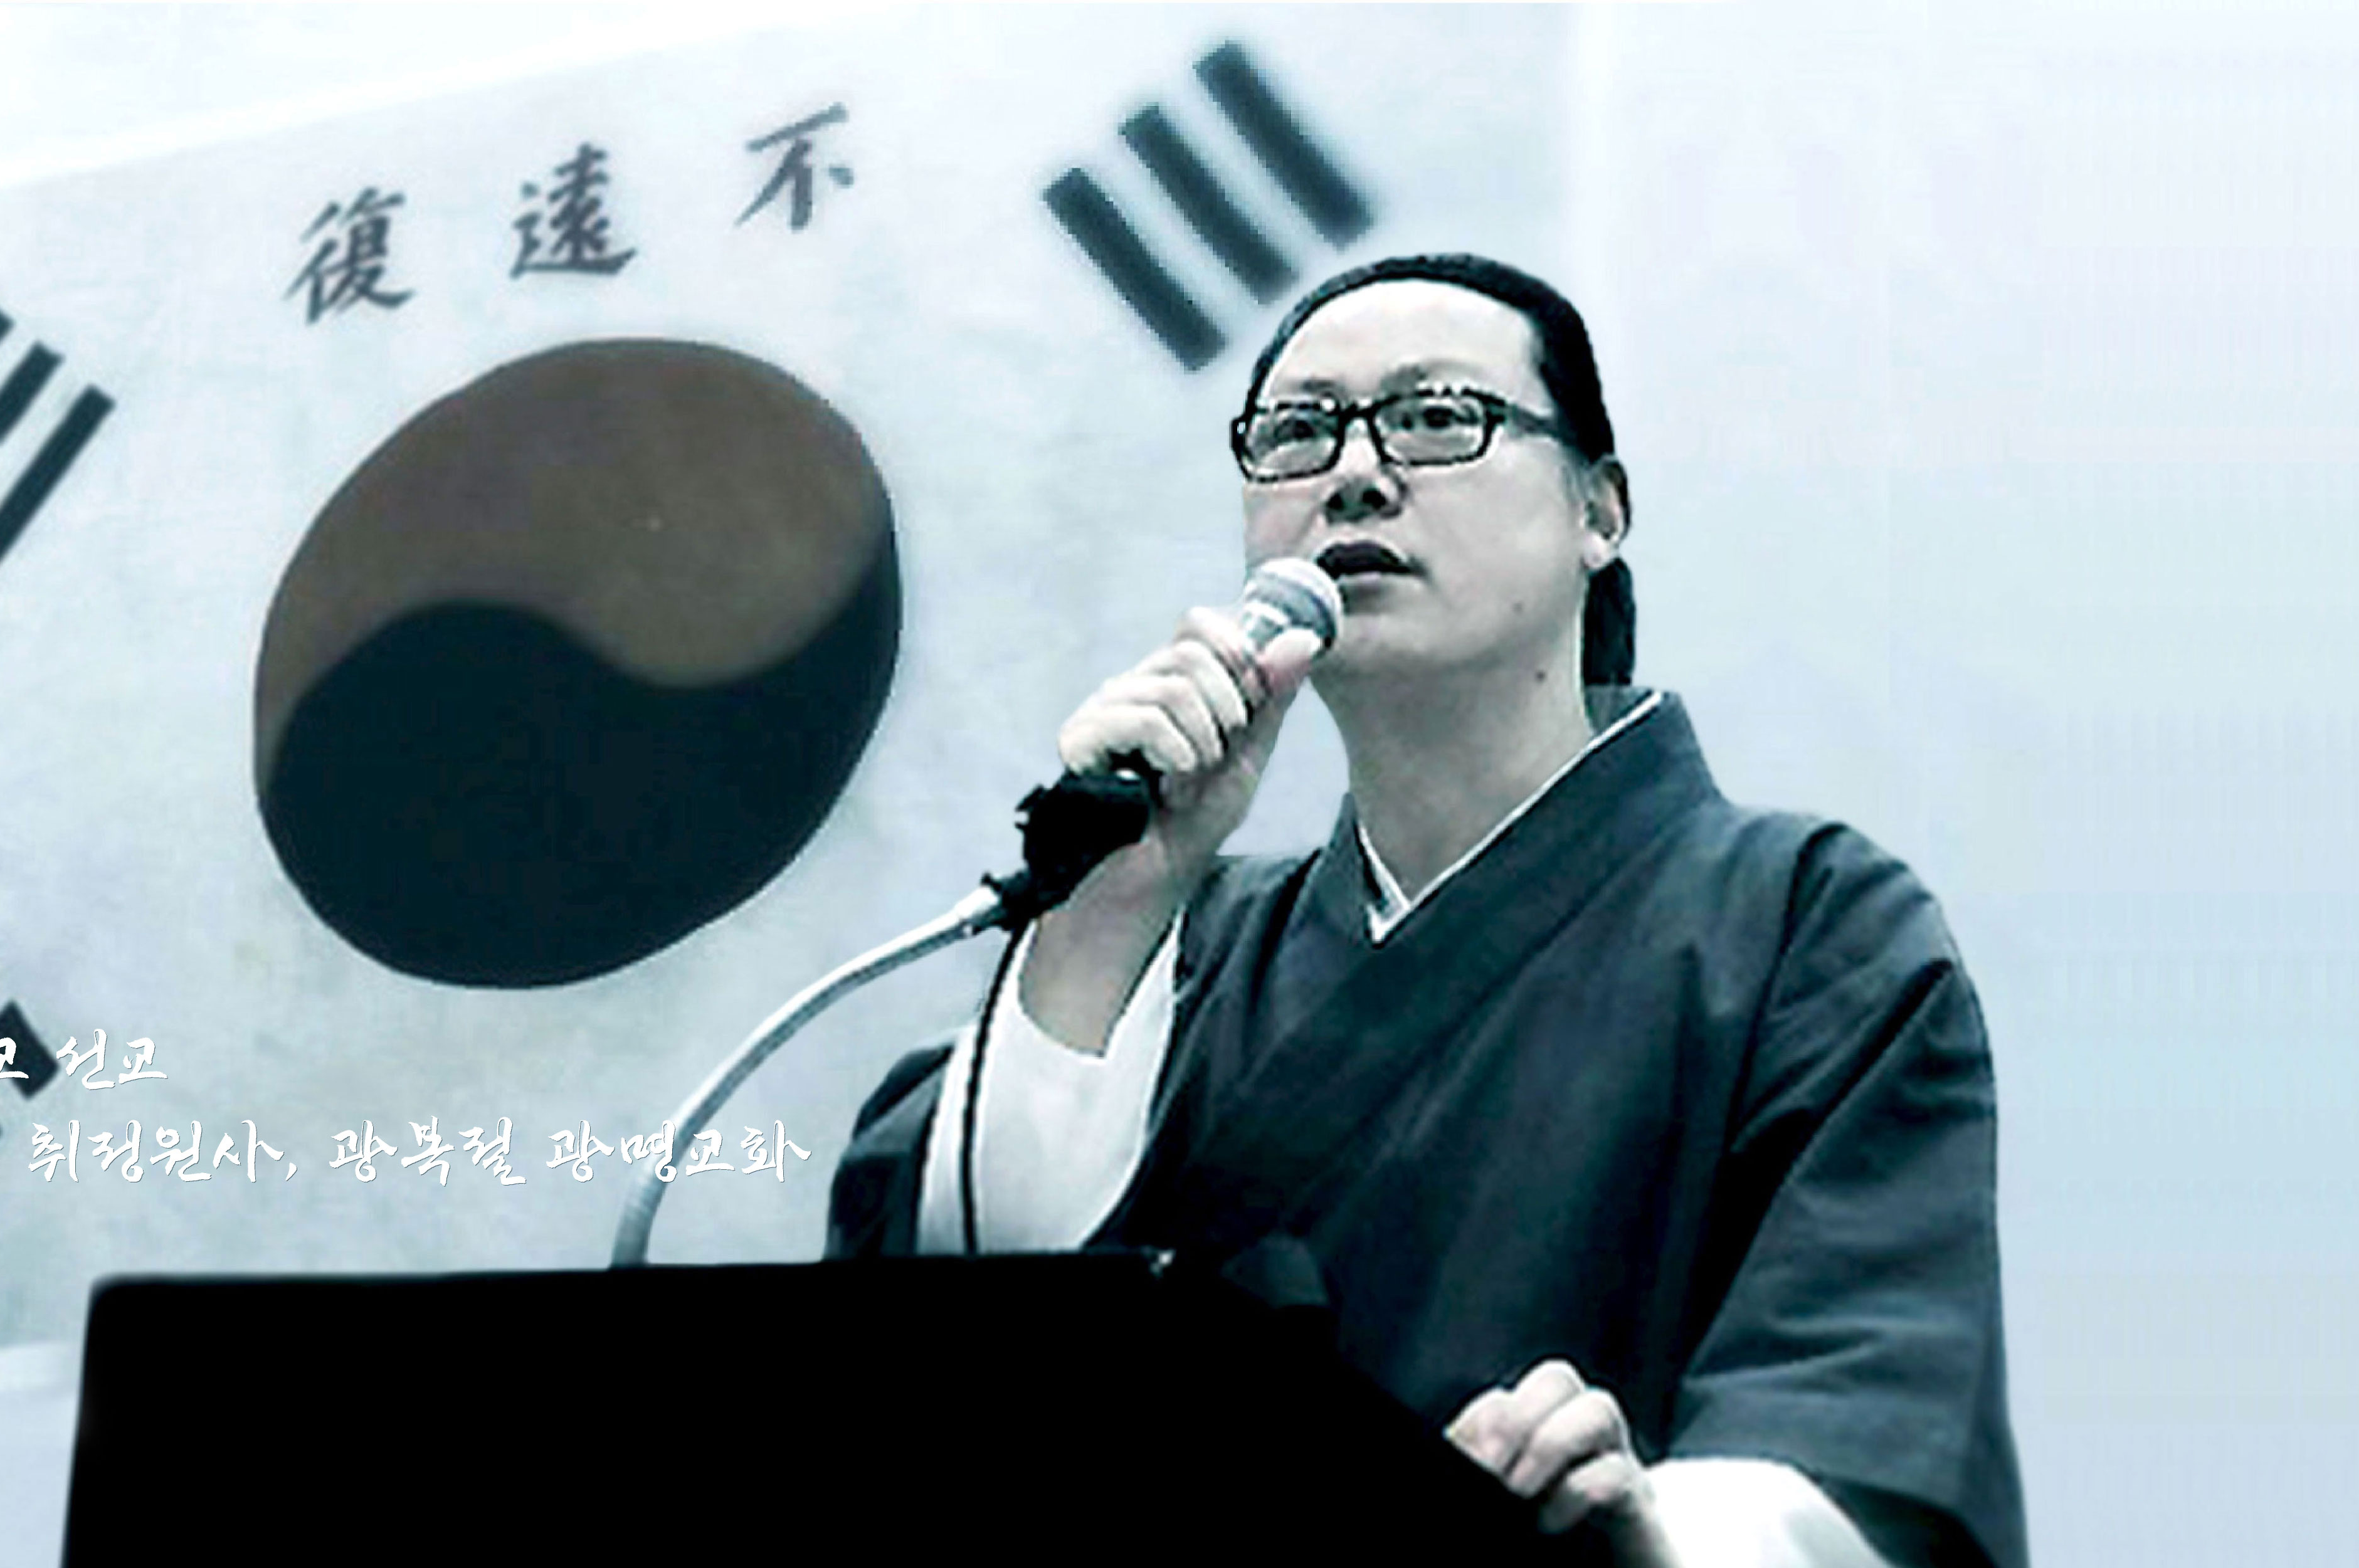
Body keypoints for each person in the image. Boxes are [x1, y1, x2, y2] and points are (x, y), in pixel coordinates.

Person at [826, 255, 2024, 1568]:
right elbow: (953, 1332)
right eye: (1297, 432)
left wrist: (1645, 1525)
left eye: (1435, 417)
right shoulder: (1170, 942)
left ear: (1599, 511)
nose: (1353, 474)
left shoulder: (1802, 929)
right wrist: (1103, 916)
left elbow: (1866, 1418)